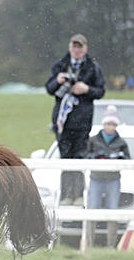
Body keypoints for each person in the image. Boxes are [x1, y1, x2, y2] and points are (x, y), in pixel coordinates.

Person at [45, 33, 106, 205]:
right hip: (62, 122)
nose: (77, 50)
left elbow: (100, 91)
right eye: (74, 46)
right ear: (70, 47)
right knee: (65, 158)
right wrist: (58, 81)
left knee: (79, 158)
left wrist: (86, 89)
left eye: (80, 47)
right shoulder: (60, 65)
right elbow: (49, 89)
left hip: (83, 121)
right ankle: (66, 195)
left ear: (85, 48)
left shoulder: (93, 67)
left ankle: (78, 195)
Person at [85, 105, 130, 248]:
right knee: (92, 211)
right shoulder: (93, 140)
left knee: (113, 212)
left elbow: (128, 160)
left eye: (113, 124)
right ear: (104, 124)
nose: (110, 127)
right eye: (108, 124)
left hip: (113, 180)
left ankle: (111, 245)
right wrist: (97, 158)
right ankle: (89, 244)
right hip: (96, 179)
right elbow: (86, 156)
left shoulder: (121, 143)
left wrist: (118, 158)